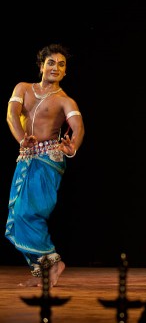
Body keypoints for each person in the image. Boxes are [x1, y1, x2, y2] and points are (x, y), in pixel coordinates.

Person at [5, 44, 85, 287]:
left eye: (61, 65)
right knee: (16, 217)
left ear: (65, 72)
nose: (56, 67)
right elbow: (11, 114)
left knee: (29, 213)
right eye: (51, 62)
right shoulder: (23, 88)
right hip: (26, 157)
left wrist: (74, 146)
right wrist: (22, 140)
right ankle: (40, 270)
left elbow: (78, 127)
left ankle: (54, 262)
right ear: (41, 66)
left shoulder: (65, 101)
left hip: (48, 160)